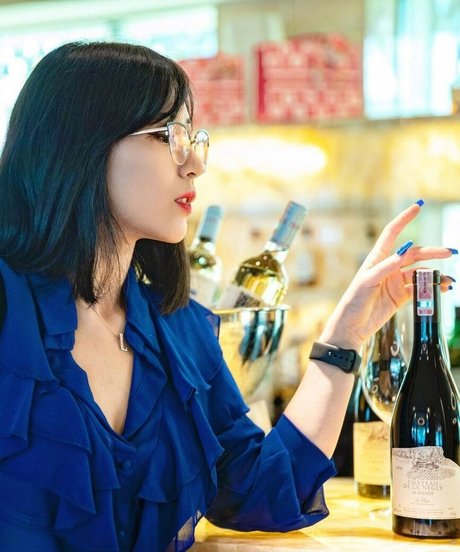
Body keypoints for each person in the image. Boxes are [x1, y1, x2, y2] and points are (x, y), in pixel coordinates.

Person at [0, 41, 455, 552]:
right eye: (170, 135)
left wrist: (346, 335)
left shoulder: (177, 332)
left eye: (194, 137)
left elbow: (262, 489)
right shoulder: (9, 310)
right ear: (80, 143)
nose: (195, 163)